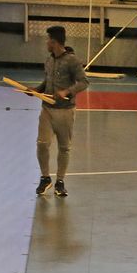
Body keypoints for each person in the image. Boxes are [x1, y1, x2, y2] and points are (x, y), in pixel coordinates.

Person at [35, 25, 89, 199]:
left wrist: (66, 92)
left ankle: (60, 181)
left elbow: (84, 82)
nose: (46, 43)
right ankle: (45, 178)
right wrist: (36, 90)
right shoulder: (49, 60)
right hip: (47, 109)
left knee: (64, 148)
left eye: (47, 39)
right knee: (42, 143)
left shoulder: (72, 61)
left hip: (65, 112)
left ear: (54, 41)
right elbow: (47, 81)